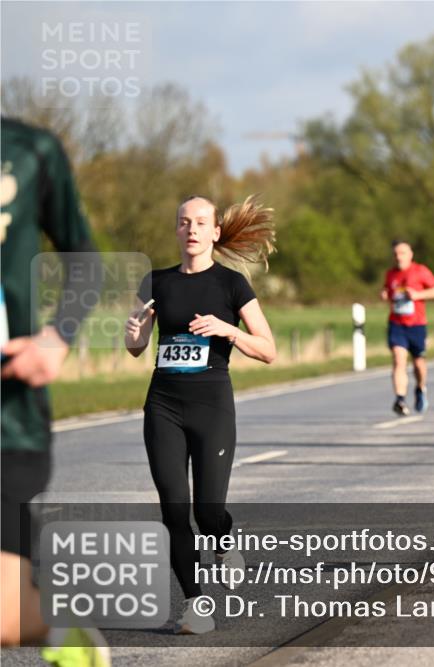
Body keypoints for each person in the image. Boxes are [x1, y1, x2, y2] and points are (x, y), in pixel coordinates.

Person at [125, 195, 277, 634]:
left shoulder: (232, 286)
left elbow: (268, 349)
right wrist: (133, 334)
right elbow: (136, 347)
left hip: (212, 406)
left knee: (208, 511)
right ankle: (195, 605)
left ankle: (224, 540)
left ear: (214, 233)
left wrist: (229, 329)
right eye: (183, 222)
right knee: (174, 509)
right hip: (163, 405)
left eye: (200, 223)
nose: (191, 229)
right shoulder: (155, 282)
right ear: (176, 230)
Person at [1, 117, 109, 665]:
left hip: (8, 418)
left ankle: (62, 631)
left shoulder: (28, 150)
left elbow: (84, 261)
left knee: (6, 618)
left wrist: (56, 338)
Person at [381, 240, 434, 415]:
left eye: (402, 253)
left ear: (410, 254)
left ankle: (420, 388)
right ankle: (400, 399)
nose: (398, 257)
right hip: (396, 323)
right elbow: (388, 291)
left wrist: (418, 295)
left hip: (416, 324)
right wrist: (385, 294)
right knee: (398, 359)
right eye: (395, 254)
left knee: (418, 363)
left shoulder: (420, 271)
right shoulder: (391, 274)